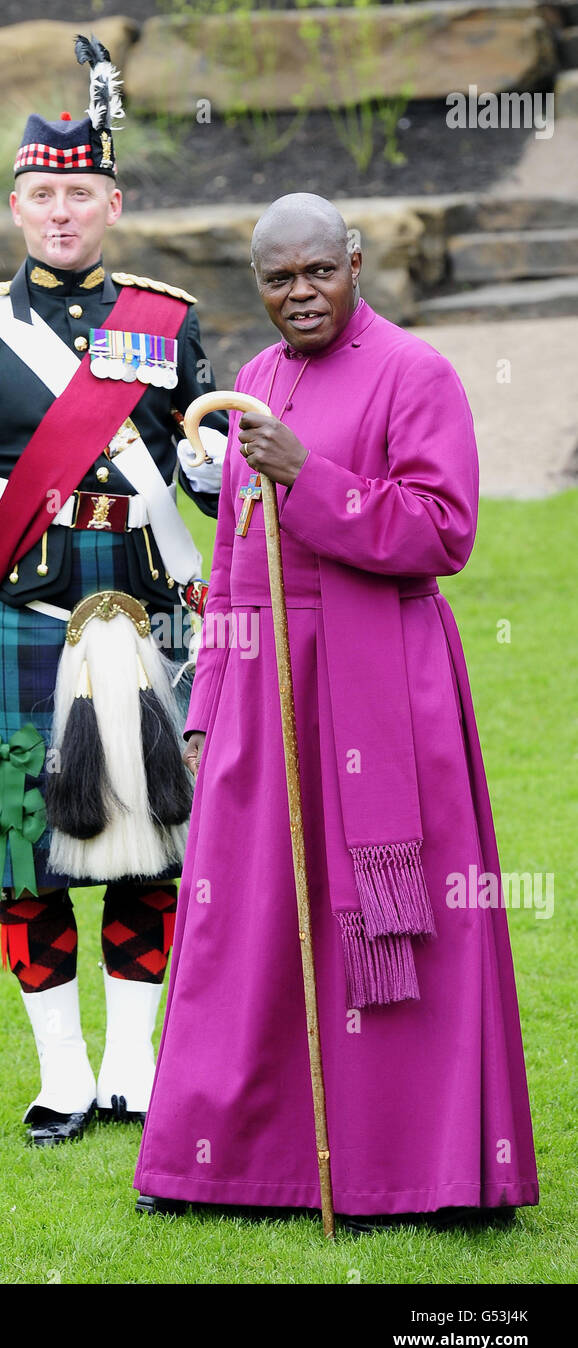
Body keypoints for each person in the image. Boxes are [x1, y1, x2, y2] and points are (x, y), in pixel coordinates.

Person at [134, 193, 539, 1225]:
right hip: (265, 683)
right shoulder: (256, 381)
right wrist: (206, 705)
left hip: (381, 681)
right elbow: (229, 566)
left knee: (398, 923)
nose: (299, 293)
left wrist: (307, 478)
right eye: (278, 279)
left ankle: (425, 1173)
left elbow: (442, 531)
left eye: (317, 271)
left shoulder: (416, 372)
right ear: (257, 284)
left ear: (354, 263)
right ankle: (233, 1165)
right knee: (253, 916)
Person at [0, 36, 227, 1146]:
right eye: (41, 193)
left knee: (154, 845)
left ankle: (135, 1065)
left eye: (79, 192)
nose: (60, 213)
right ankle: (63, 1075)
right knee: (22, 861)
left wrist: (208, 468)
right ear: (15, 204)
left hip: (151, 620)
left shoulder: (166, 321)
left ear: (111, 200)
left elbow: (212, 471)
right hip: (18, 627)